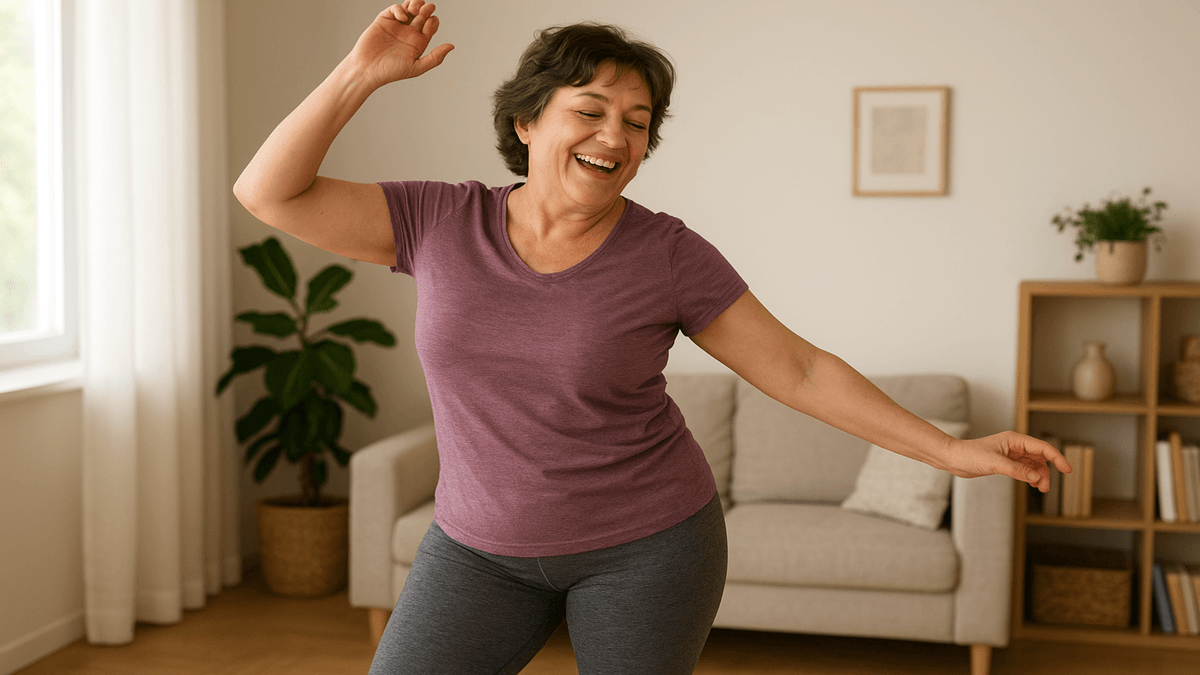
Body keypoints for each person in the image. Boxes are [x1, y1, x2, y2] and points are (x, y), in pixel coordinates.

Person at [233, 2, 1072, 673]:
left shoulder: (667, 252)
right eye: (590, 110)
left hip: (646, 547)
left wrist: (950, 451)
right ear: (526, 124)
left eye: (637, 122)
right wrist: (361, 74)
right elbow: (268, 193)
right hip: (476, 547)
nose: (615, 136)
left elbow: (799, 368)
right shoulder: (436, 220)